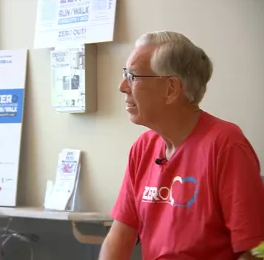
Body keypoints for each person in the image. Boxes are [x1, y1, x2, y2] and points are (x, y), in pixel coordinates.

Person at [99, 31, 264, 260]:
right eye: (125, 74)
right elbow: (119, 238)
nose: (122, 86)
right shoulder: (143, 148)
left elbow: (255, 249)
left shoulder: (226, 145)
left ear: (171, 89)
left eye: (133, 76)